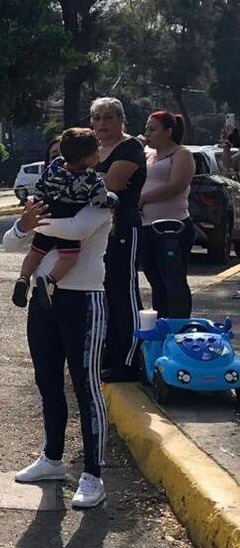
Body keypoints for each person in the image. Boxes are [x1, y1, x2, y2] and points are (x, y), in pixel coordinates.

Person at [4, 197, 111, 509]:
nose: (62, 173)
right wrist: (24, 224)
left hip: (83, 301)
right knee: (47, 382)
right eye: (55, 166)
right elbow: (10, 244)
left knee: (86, 387)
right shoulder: (44, 206)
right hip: (43, 301)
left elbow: (76, 229)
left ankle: (93, 475)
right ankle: (52, 459)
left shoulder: (98, 200)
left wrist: (33, 222)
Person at [12, 128, 118, 310]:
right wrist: (112, 199)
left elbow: (39, 186)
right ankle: (50, 279)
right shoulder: (92, 179)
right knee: (69, 258)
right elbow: (100, 200)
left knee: (35, 253)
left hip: (47, 214)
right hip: (67, 219)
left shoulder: (53, 167)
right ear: (88, 158)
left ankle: (23, 278)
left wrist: (38, 202)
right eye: (97, 150)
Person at [90, 97, 147, 381]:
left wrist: (94, 178)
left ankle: (129, 359)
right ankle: (110, 354)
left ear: (121, 119)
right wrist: (99, 176)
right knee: (105, 294)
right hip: (98, 232)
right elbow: (94, 181)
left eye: (109, 117)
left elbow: (111, 185)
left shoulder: (131, 147)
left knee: (124, 292)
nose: (103, 123)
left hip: (123, 228)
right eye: (97, 118)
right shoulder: (95, 149)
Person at [139, 110, 195, 319]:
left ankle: (179, 326)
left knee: (174, 280)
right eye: (147, 129)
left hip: (172, 228)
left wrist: (144, 199)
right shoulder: (148, 155)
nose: (148, 133)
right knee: (156, 280)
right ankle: (162, 324)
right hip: (147, 226)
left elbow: (177, 185)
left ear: (168, 132)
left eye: (153, 129)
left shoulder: (181, 154)